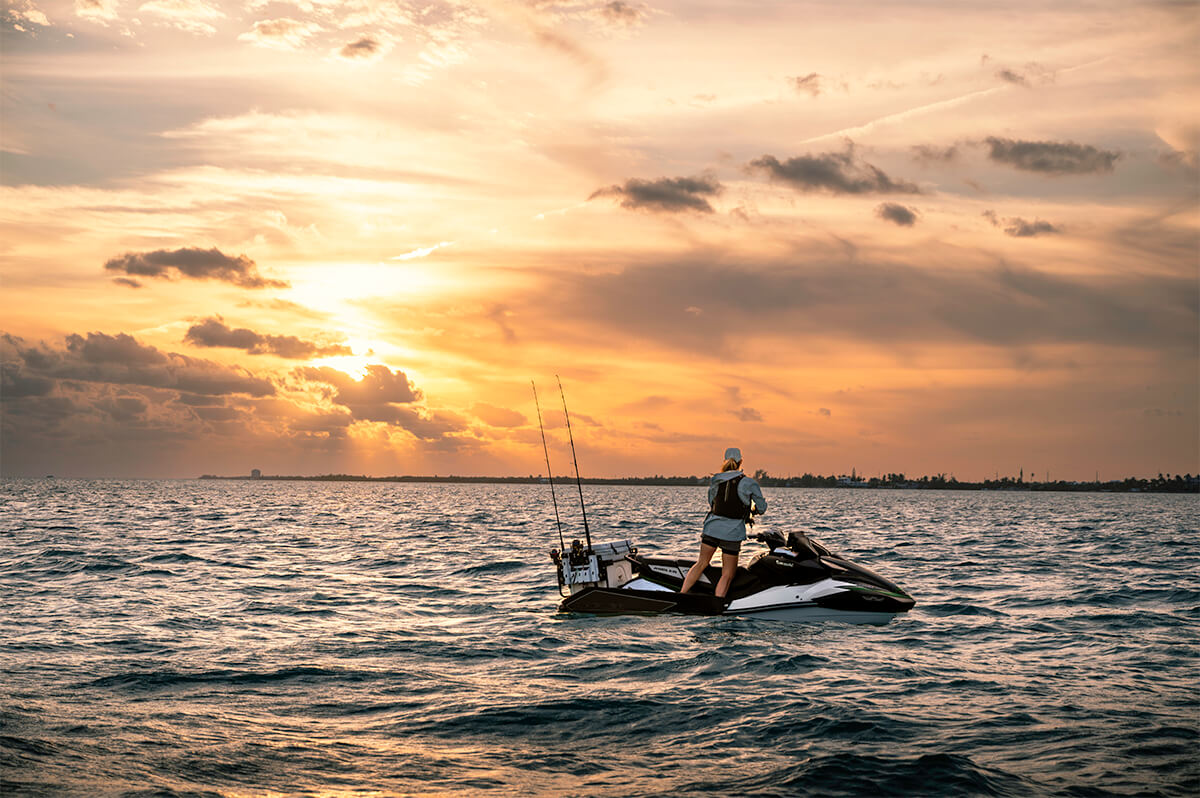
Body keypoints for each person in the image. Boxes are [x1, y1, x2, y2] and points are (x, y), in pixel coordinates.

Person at [680, 447, 767, 599]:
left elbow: (711, 503)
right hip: (732, 533)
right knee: (727, 574)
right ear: (741, 461)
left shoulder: (715, 480)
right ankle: (718, 602)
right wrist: (752, 510)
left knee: (701, 563)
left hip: (711, 527)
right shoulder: (748, 483)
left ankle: (681, 594)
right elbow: (762, 508)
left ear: (724, 461)